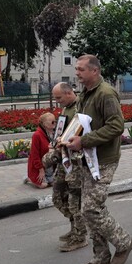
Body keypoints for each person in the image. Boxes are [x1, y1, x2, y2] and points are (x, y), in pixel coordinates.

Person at [65, 55, 132, 264]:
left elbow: (116, 126)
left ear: (94, 71)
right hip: (87, 158)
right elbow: (82, 122)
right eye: (76, 69)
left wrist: (84, 141)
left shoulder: (106, 93)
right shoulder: (85, 94)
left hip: (104, 160)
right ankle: (101, 258)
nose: (77, 73)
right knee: (88, 211)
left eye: (81, 69)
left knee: (91, 208)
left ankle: (124, 242)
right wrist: (66, 138)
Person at [45, 82, 88, 252]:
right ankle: (75, 228)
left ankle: (80, 236)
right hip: (64, 159)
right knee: (58, 196)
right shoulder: (65, 109)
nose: (57, 102)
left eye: (58, 98)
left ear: (69, 93)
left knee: (74, 200)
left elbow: (83, 133)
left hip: (76, 162)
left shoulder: (81, 108)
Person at [26, 112, 56, 188]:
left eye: (55, 121)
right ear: (44, 124)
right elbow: (34, 155)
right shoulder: (37, 135)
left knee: (54, 184)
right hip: (39, 166)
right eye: (52, 122)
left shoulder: (54, 133)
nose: (54, 123)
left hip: (49, 164)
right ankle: (30, 179)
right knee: (43, 185)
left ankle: (48, 177)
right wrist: (40, 170)